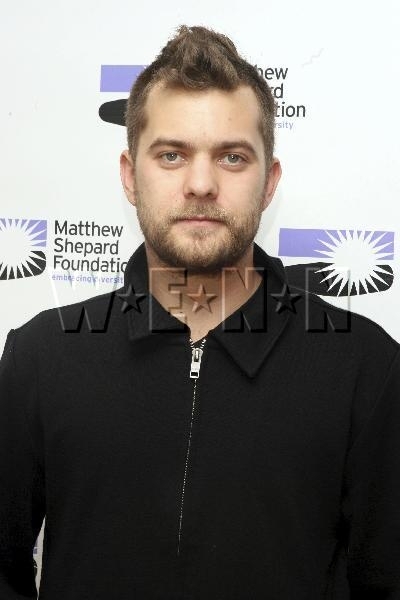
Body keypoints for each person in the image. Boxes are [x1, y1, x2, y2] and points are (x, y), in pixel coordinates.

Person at [0, 25, 399, 600]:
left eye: (232, 157)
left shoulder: (366, 367)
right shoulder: (41, 356)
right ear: (129, 175)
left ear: (269, 183)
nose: (202, 184)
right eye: (172, 155)